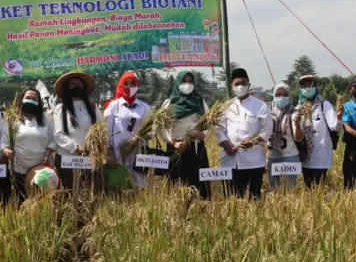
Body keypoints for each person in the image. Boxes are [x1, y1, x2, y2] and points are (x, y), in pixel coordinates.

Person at [216, 68, 272, 199]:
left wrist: (252, 142)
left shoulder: (260, 105)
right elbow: (219, 129)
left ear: (249, 85)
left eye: (243, 83)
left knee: (254, 200)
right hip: (230, 161)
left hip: (253, 162)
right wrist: (226, 145)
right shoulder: (225, 106)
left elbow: (268, 129)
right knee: (232, 200)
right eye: (237, 84)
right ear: (231, 86)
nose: (240, 86)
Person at [1, 88, 56, 205]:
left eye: (34, 99)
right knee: (22, 200)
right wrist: (7, 151)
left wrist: (47, 154)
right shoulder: (12, 119)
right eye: (28, 98)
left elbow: (53, 140)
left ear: (39, 102)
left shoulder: (45, 119)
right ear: (21, 100)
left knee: (43, 200)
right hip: (20, 168)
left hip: (42, 168)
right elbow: (4, 142)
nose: (30, 101)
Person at [162, 71, 211, 199]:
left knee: (199, 186)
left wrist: (202, 134)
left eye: (190, 81)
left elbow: (209, 123)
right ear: (177, 83)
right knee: (176, 186)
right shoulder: (169, 103)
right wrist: (173, 143)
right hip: (176, 149)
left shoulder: (200, 102)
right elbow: (162, 127)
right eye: (184, 81)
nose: (187, 84)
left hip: (195, 149)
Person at [52, 72, 104, 194]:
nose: (77, 86)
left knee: (92, 190)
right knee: (71, 192)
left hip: (90, 157)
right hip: (67, 158)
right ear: (67, 88)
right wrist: (76, 147)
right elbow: (58, 134)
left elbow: (100, 130)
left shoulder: (93, 107)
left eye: (80, 84)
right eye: (73, 84)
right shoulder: (61, 108)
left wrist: (94, 147)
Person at [104, 72, 151, 188]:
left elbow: (152, 131)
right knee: (121, 186)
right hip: (118, 154)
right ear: (121, 85)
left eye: (132, 84)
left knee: (139, 185)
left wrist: (141, 137)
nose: (129, 87)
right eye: (126, 83)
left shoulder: (145, 107)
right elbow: (106, 132)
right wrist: (109, 153)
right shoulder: (113, 107)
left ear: (137, 86)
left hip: (138, 153)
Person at [296, 75, 343, 188]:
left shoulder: (324, 105)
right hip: (305, 156)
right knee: (308, 188)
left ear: (316, 87)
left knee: (319, 188)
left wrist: (339, 118)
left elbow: (335, 128)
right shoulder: (299, 108)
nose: (308, 88)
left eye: (310, 85)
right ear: (301, 88)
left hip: (321, 156)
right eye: (305, 85)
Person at [267, 83, 304, 191]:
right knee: (274, 191)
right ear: (273, 96)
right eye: (278, 94)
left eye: (284, 94)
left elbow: (299, 138)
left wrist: (297, 124)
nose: (281, 97)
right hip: (272, 157)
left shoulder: (294, 113)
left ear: (289, 96)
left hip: (290, 157)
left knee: (289, 192)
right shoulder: (266, 113)